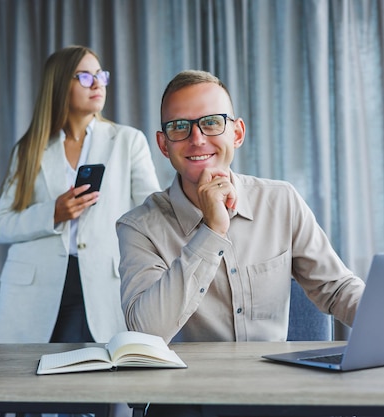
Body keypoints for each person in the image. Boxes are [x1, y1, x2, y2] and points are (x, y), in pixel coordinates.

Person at [116, 70, 366, 416]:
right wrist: (212, 231)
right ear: (163, 144)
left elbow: (336, 289)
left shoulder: (281, 201)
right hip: (187, 398)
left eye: (212, 123)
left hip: (275, 393)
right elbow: (147, 331)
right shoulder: (138, 227)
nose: (197, 138)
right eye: (179, 127)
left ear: (237, 133)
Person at [0, 45, 160, 349]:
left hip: (102, 285)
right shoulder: (29, 149)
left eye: (100, 75)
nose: (97, 84)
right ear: (59, 86)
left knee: (95, 386)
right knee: (31, 385)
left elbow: (150, 215)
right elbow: (2, 226)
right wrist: (52, 213)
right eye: (84, 76)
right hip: (35, 290)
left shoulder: (127, 141)